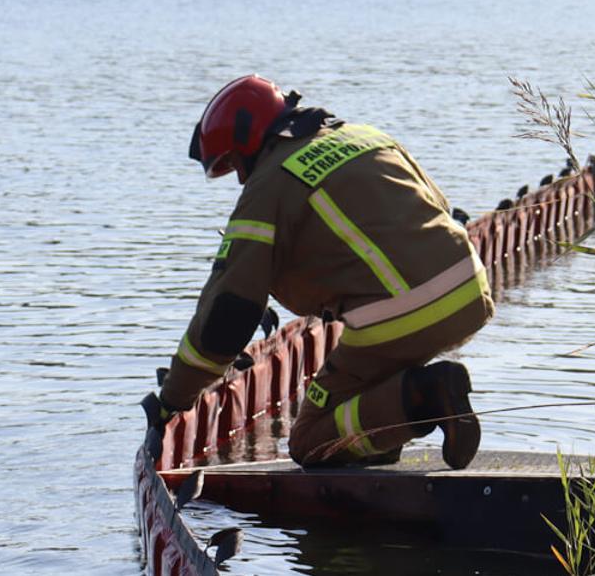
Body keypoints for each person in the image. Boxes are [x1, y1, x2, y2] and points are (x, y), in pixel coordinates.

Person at [143, 75, 491, 469]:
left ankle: (428, 394)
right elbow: (437, 205)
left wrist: (172, 400)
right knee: (361, 397)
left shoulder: (266, 188)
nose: (240, 178)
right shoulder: (368, 137)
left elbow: (228, 315)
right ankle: (389, 435)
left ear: (249, 144)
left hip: (399, 320)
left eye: (236, 165)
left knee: (310, 440)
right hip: (472, 288)